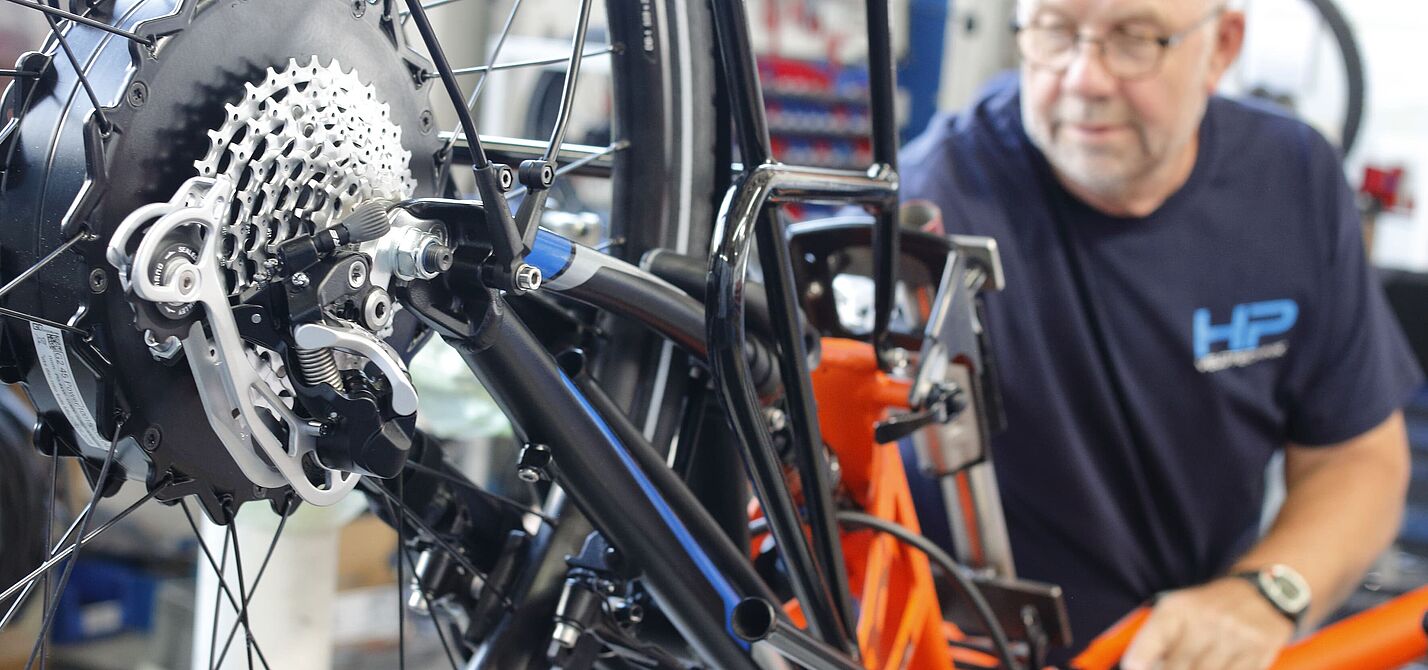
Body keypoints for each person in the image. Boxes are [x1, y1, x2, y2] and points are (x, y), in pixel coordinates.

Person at [899, 0, 1423, 667]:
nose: (1085, 77)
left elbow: (1358, 459)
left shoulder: (1294, 178)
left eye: (1135, 38)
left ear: (1223, 45)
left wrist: (1265, 594)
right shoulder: (933, 200)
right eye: (1055, 32)